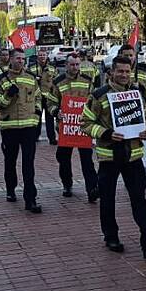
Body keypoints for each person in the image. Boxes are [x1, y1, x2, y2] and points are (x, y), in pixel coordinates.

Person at [81, 56, 146, 259]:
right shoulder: (98, 95)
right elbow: (85, 123)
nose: (123, 75)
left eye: (126, 71)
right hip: (109, 155)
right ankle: (111, 236)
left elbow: (142, 119)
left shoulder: (137, 93)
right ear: (111, 72)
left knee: (140, 199)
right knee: (108, 199)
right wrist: (105, 133)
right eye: (119, 71)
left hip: (133, 155)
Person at [0, 48, 43, 214]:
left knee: (29, 165)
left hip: (28, 128)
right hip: (10, 127)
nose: (21, 61)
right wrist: (7, 96)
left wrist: (36, 117)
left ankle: (31, 199)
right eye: (17, 58)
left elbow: (38, 98)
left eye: (22, 58)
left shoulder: (31, 78)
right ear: (10, 60)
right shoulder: (2, 80)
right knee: (10, 162)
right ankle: (11, 189)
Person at [49, 54, 98, 201]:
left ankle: (92, 190)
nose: (75, 67)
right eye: (72, 65)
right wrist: (56, 112)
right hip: (65, 129)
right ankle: (67, 184)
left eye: (77, 64)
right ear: (66, 66)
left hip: (83, 128)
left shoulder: (87, 81)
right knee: (63, 158)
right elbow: (51, 102)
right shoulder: (58, 82)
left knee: (87, 161)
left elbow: (93, 102)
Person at [29, 51, 59, 145]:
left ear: (47, 56)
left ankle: (52, 138)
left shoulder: (52, 68)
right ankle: (35, 137)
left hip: (49, 98)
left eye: (44, 55)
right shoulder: (32, 68)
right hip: (37, 97)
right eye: (40, 55)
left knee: (50, 119)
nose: (42, 57)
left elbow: (56, 81)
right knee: (37, 117)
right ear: (37, 57)